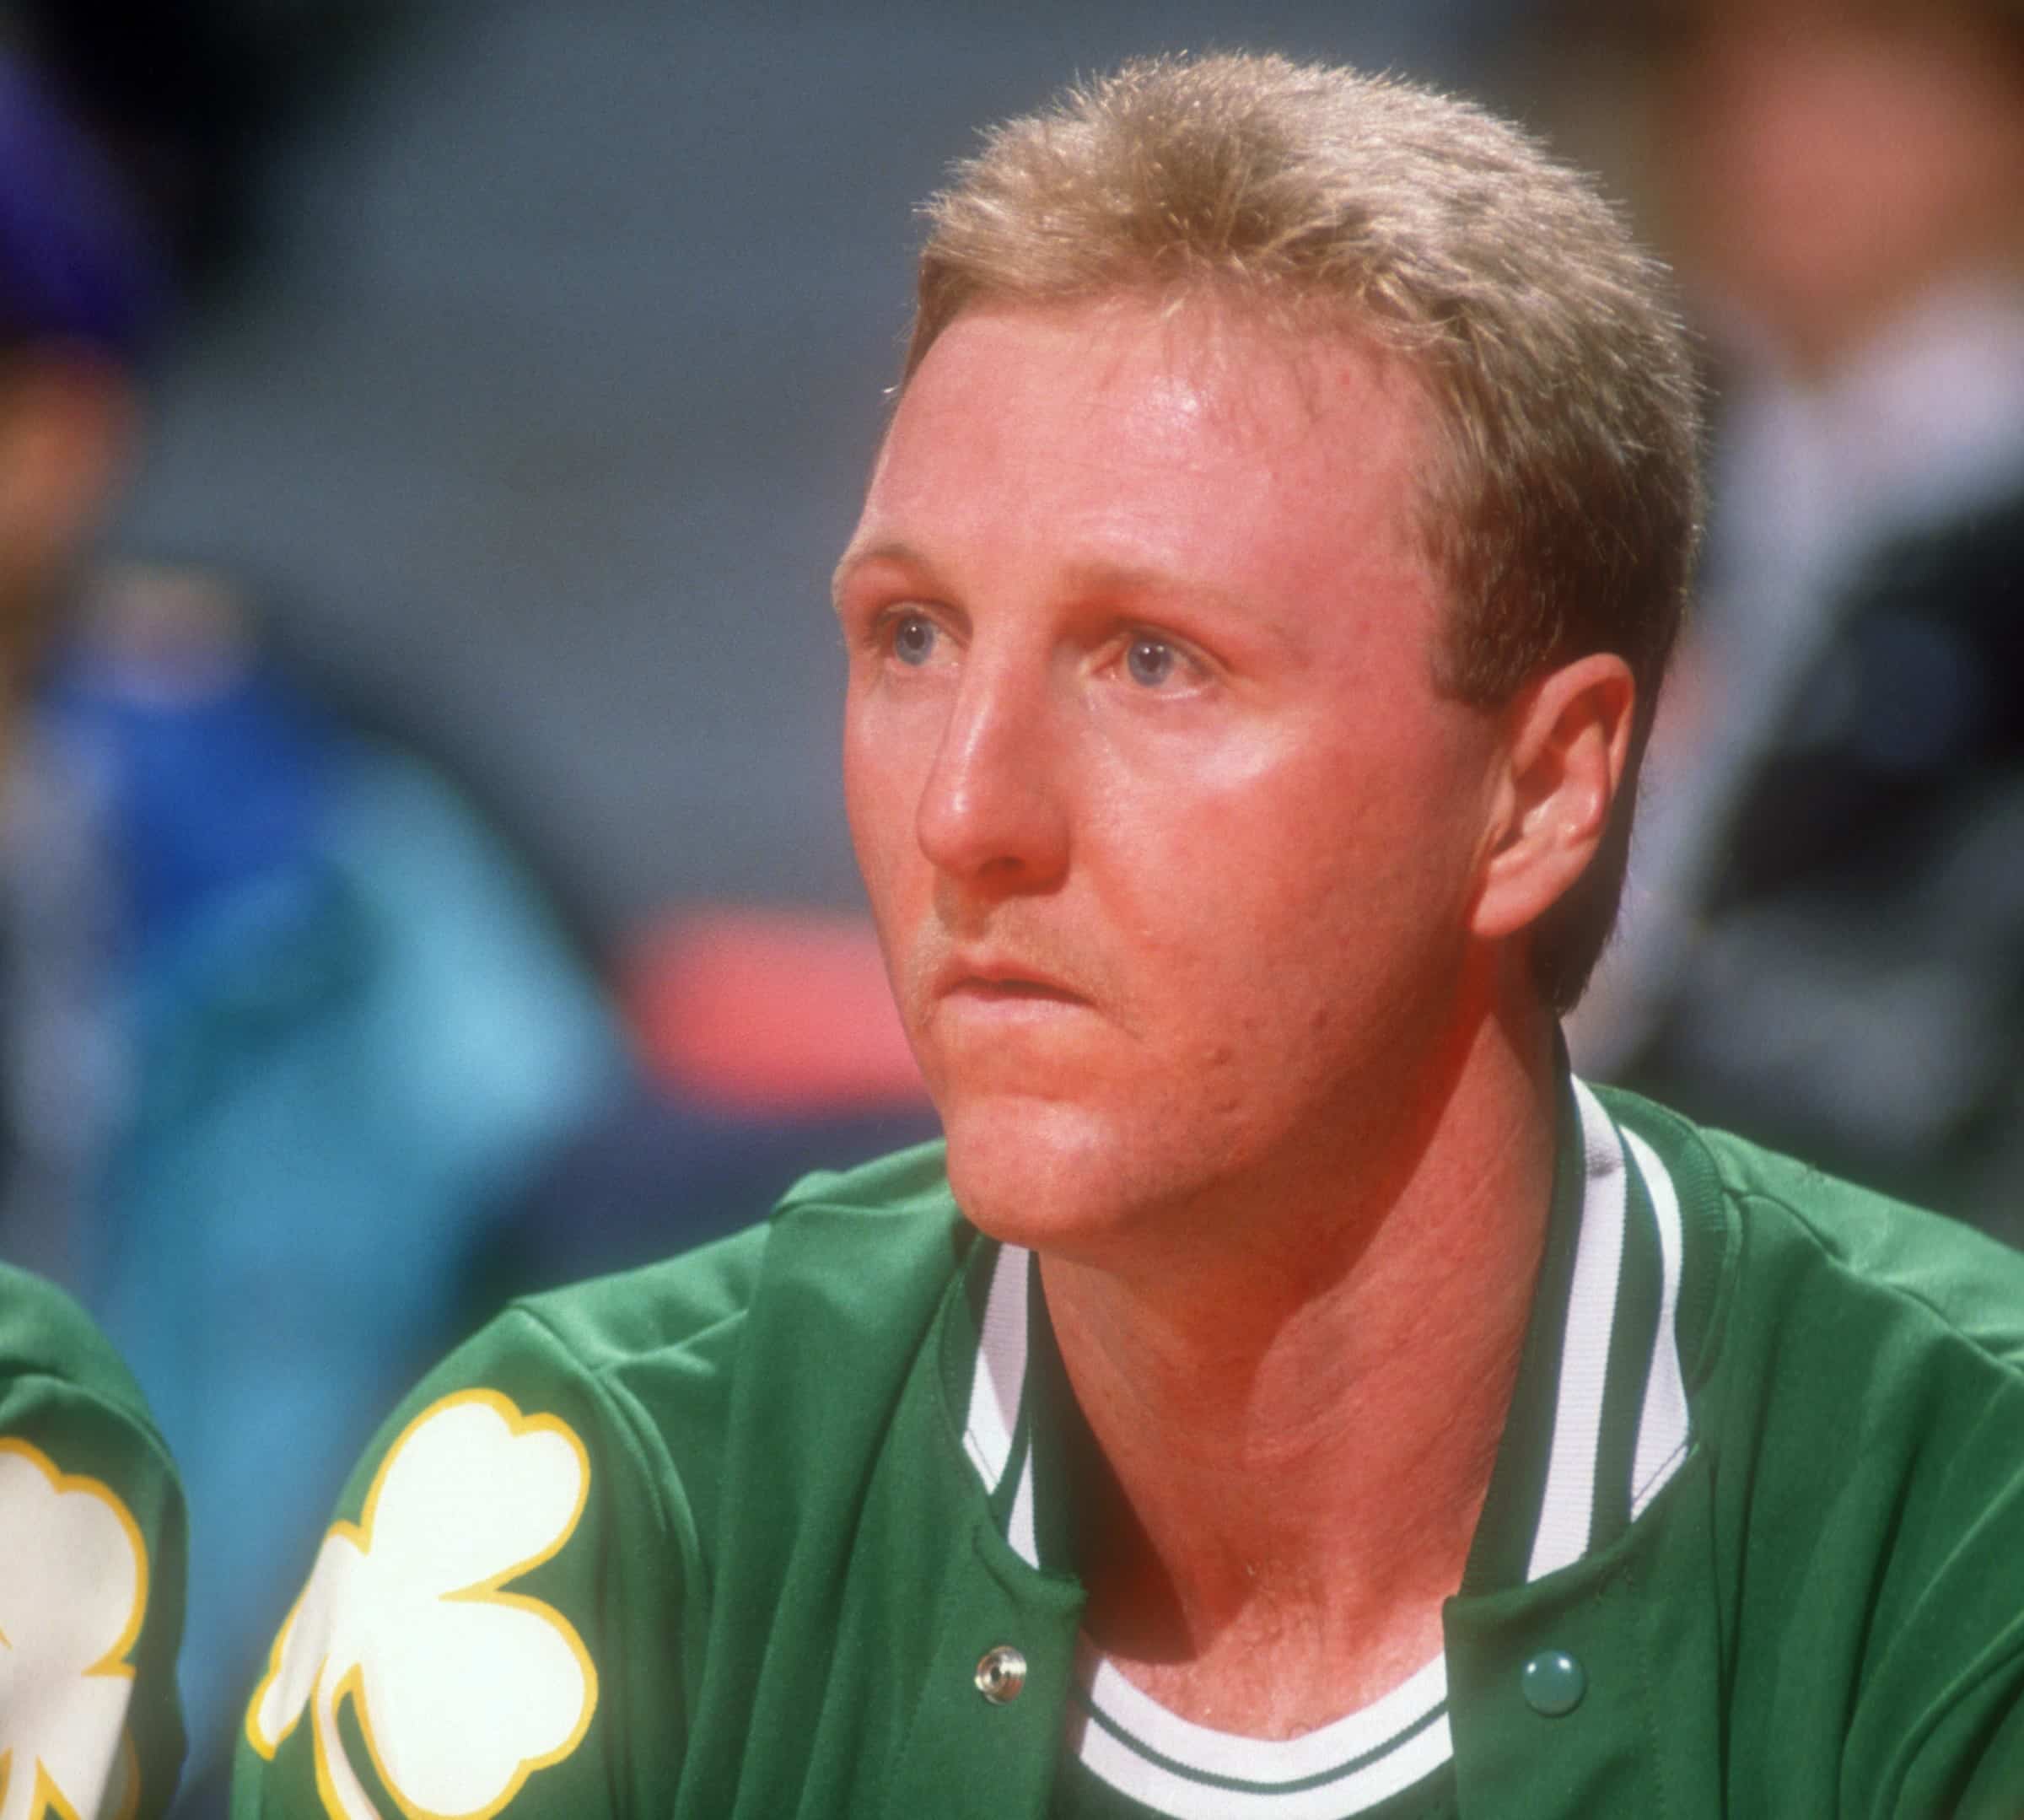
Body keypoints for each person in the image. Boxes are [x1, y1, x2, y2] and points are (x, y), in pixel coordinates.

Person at [233, 51, 2024, 1818]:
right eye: (913, 637)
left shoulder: (1957, 1512)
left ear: (1546, 790)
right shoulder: (586, 1508)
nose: (966, 810)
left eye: (1155, 658)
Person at [1556, 0, 2024, 1242]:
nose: (1774, 134)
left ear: (1992, 119)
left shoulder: (1993, 564)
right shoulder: (1627, 459)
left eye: (1856, 73)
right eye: (1735, 74)